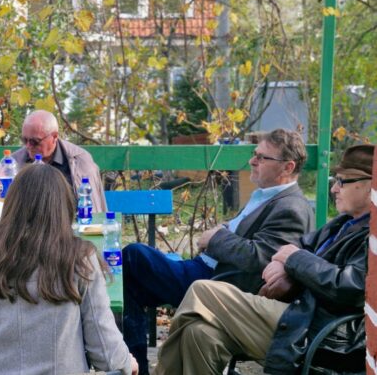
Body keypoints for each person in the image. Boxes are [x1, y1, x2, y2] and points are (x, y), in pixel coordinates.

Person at [153, 144, 373, 374]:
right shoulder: (342, 223)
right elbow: (300, 246)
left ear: (370, 186)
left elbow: (352, 288)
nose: (334, 188)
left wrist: (294, 260)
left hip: (320, 332)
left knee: (202, 290)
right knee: (199, 333)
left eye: (342, 181)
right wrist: (285, 264)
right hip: (299, 313)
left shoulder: (372, 235)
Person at [122, 129, 315, 373]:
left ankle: (133, 366)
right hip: (205, 270)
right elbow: (247, 237)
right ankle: (134, 367)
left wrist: (216, 237)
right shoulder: (267, 195)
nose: (252, 161)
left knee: (134, 257)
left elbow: (260, 258)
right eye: (254, 154)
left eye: (262, 157)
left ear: (288, 167)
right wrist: (223, 230)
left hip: (219, 286)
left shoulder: (291, 208)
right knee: (131, 283)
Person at [0, 164, 138, 375]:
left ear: (10, 206)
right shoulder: (79, 260)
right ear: (64, 207)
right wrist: (127, 363)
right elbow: (106, 352)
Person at [12, 110, 106, 212]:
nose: (28, 146)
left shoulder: (79, 160)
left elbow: (92, 208)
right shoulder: (14, 162)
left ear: (54, 137)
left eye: (35, 141)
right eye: (24, 140)